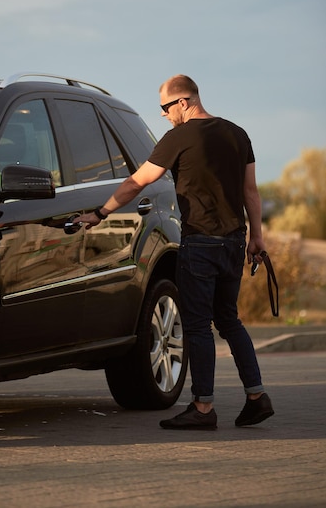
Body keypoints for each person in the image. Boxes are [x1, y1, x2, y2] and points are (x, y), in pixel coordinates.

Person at [76, 74, 274, 430]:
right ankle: (257, 398)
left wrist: (101, 213)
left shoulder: (179, 138)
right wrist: (256, 238)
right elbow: (251, 192)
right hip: (233, 242)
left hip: (199, 243)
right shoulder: (238, 134)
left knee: (197, 326)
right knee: (229, 321)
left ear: (184, 102)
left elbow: (139, 181)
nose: (165, 115)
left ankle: (202, 409)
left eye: (166, 107)